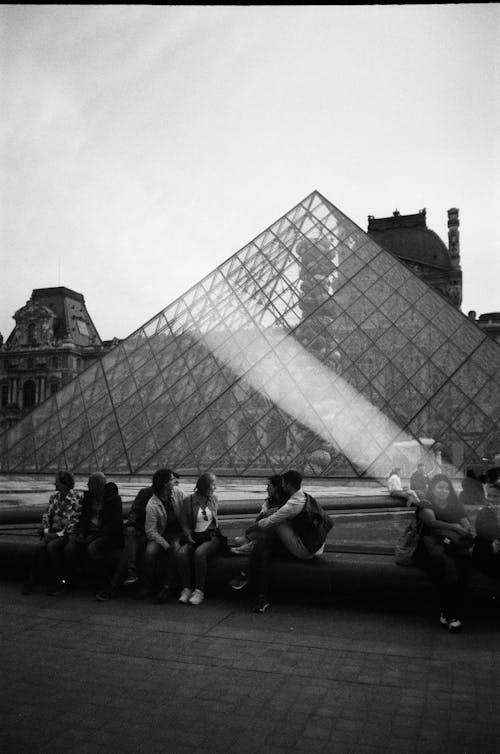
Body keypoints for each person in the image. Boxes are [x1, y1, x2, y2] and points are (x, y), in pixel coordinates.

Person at [235, 470, 331, 614]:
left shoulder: (293, 504)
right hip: (313, 545)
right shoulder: (303, 496)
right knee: (264, 548)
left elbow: (267, 522)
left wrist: (249, 531)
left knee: (275, 523)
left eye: (283, 483)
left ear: (287, 484)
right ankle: (261, 596)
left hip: (304, 549)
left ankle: (247, 571)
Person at [415, 473, 475, 632]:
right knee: (445, 565)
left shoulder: (454, 504)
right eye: (440, 487)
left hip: (450, 545)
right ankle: (450, 613)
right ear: (432, 489)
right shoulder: (425, 503)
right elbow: (432, 522)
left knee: (465, 561)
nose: (444, 491)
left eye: (447, 488)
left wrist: (467, 526)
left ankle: (450, 611)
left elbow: (464, 520)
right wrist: (455, 527)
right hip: (429, 547)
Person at [22, 471, 82, 595]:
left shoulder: (76, 498)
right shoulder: (54, 497)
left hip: (66, 534)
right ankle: (33, 581)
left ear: (65, 484)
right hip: (53, 532)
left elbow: (74, 522)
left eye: (57, 481)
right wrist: (46, 531)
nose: (55, 483)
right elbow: (47, 516)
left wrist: (56, 535)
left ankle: (60, 582)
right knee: (40, 547)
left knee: (51, 547)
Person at [66, 473, 124, 595]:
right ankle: (72, 582)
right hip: (90, 532)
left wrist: (94, 536)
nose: (87, 485)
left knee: (92, 548)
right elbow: (83, 518)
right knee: (71, 548)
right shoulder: (88, 497)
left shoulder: (113, 499)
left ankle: (101, 583)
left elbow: (113, 525)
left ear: (97, 484)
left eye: (89, 482)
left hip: (107, 535)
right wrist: (81, 533)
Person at [135, 468, 184, 602]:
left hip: (177, 534)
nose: (175, 481)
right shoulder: (152, 504)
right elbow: (151, 531)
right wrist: (165, 545)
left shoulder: (178, 493)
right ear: (164, 484)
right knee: (149, 552)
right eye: (172, 479)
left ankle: (167, 587)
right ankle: (146, 586)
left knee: (175, 551)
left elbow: (187, 508)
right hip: (160, 535)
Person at [176, 473, 224, 606]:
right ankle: (186, 589)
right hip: (194, 536)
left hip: (212, 537)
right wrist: (188, 535)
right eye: (213, 484)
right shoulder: (188, 501)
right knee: (181, 554)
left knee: (199, 553)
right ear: (205, 486)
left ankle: (199, 591)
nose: (215, 487)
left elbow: (214, 521)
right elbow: (184, 522)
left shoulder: (214, 498)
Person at [230, 475, 288, 556]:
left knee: (273, 522)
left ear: (276, 487)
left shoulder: (288, 504)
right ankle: (249, 541)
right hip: (268, 532)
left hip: (281, 536)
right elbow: (259, 519)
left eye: (269, 485)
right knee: (267, 521)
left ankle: (250, 543)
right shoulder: (269, 501)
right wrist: (265, 514)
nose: (266, 489)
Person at [472, 468, 500, 579]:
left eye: (496, 496)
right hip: (486, 552)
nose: (491, 499)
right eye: (489, 495)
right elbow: (483, 532)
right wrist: (494, 539)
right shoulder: (484, 512)